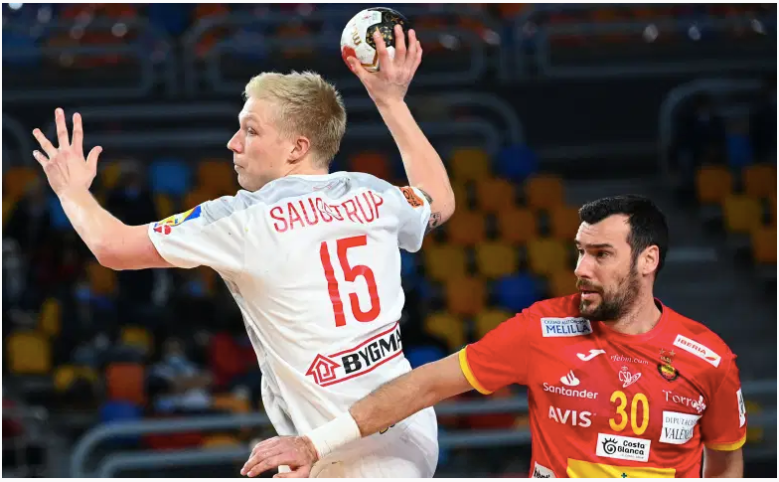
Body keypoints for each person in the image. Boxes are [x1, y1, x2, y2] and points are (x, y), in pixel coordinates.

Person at [32, 26, 453, 478]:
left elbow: (111, 247)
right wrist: (391, 101)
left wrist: (71, 191)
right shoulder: (374, 194)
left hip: (343, 453)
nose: (233, 143)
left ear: (297, 147)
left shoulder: (244, 218)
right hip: (409, 432)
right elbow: (440, 201)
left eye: (250, 131)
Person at [243, 195, 747, 478]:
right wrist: (314, 443)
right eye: (579, 252)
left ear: (648, 260)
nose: (581, 268)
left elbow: (726, 460)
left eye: (601, 254)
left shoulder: (709, 359)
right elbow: (422, 386)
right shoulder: (543, 329)